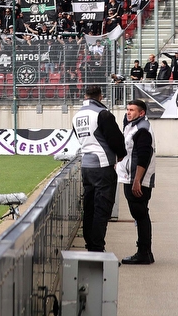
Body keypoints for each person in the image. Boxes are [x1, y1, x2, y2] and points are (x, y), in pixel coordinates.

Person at [73, 85, 126, 253]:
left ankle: (90, 244)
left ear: (85, 95)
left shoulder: (77, 116)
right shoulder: (102, 114)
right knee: (102, 209)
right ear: (100, 96)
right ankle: (97, 248)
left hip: (86, 165)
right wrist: (120, 154)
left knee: (89, 207)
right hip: (103, 166)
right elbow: (115, 139)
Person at [117, 98, 156, 265]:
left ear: (142, 113)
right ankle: (145, 252)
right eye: (127, 109)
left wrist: (137, 181)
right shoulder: (133, 125)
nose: (128, 112)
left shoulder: (142, 130)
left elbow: (143, 157)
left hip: (136, 179)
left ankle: (143, 253)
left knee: (140, 215)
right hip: (131, 177)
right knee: (140, 214)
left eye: (132, 110)